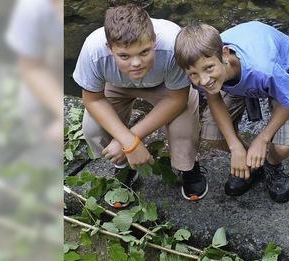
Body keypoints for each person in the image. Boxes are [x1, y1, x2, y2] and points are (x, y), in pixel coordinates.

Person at [72, 4, 207, 205]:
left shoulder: (173, 44)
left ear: (154, 41)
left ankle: (187, 167)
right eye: (124, 56)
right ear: (110, 48)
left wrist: (131, 140)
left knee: (183, 128)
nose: (136, 63)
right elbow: (93, 99)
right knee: (93, 128)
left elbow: (176, 100)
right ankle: (122, 164)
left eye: (144, 52)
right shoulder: (93, 50)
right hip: (117, 85)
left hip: (166, 87)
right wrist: (128, 143)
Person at [174, 21, 289, 203]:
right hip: (231, 79)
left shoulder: (264, 69)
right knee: (213, 135)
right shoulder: (206, 70)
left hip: (284, 74)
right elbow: (214, 99)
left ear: (225, 53)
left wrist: (262, 140)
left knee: (282, 147)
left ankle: (272, 164)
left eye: (208, 68)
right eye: (193, 74)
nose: (203, 80)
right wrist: (235, 147)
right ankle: (252, 162)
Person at [5, 0, 64, 164]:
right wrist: (61, 114)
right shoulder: (32, 7)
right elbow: (30, 67)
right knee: (31, 108)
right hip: (45, 60)